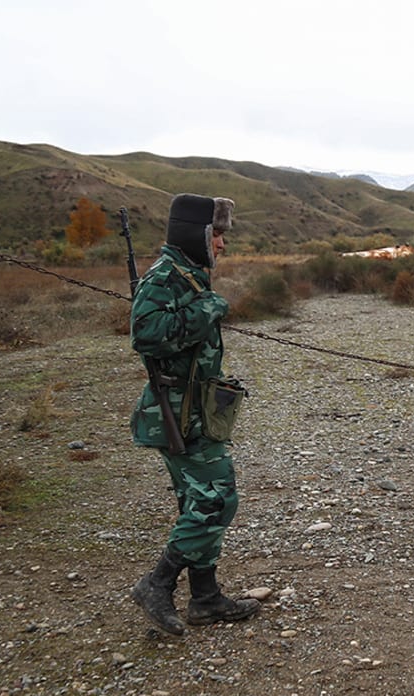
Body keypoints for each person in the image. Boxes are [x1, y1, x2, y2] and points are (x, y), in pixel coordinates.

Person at [129, 193, 260, 635]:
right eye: (217, 234)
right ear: (196, 234)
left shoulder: (190, 275)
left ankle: (205, 598)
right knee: (216, 499)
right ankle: (157, 583)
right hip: (177, 412)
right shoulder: (165, 277)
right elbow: (146, 335)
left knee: (195, 501)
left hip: (197, 411)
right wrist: (210, 307)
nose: (222, 244)